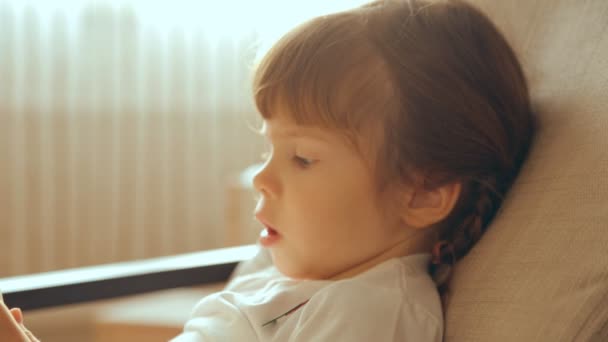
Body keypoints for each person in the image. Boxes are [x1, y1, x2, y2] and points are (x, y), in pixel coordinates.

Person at [1, 0, 536, 340]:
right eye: (268, 149)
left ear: (423, 193)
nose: (261, 177)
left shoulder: (370, 314)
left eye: (302, 157)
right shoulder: (289, 266)